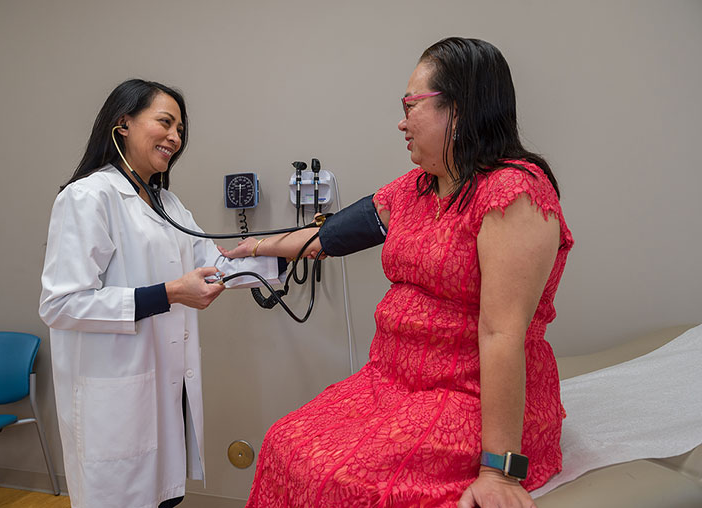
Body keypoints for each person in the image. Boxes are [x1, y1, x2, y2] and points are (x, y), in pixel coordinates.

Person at [220, 37, 574, 507]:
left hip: (465, 395)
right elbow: (330, 237)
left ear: (461, 109)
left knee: (344, 481)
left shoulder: (514, 194)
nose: (402, 122)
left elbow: (500, 333)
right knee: (285, 442)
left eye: (412, 105)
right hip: (391, 383)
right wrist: (256, 248)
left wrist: (501, 471)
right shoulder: (419, 186)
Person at [39, 79, 286, 508]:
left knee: (164, 498)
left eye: (180, 129)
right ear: (123, 124)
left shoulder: (168, 205)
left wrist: (293, 252)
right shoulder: (88, 198)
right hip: (115, 400)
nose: (175, 137)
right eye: (165, 123)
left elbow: (217, 266)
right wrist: (170, 293)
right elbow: (61, 304)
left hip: (163, 395)